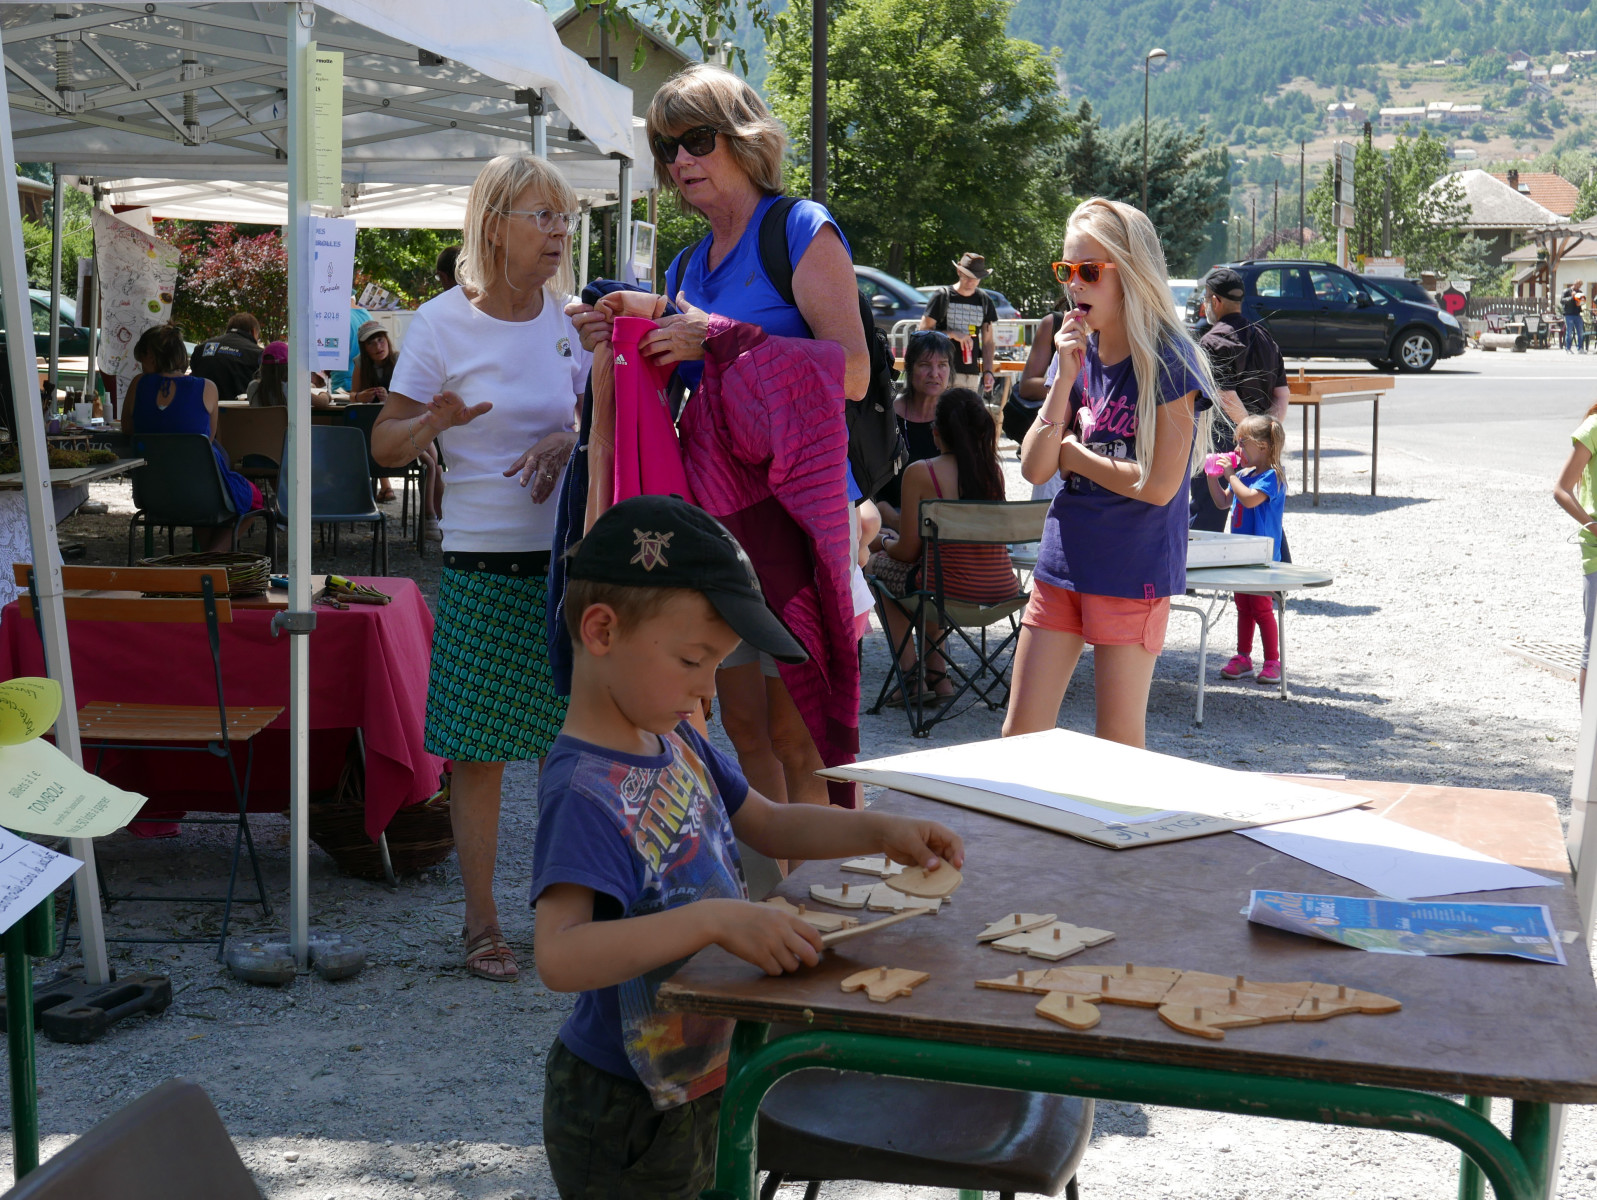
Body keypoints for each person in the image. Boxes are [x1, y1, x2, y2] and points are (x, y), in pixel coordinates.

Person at [532, 494, 964, 1199]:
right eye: (692, 660)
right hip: (623, 1101)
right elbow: (560, 953)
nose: (707, 687)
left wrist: (878, 829)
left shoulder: (675, 737)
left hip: (702, 1069)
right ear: (602, 630)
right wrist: (714, 920)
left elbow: (765, 821)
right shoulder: (583, 788)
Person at [568, 63, 868, 813]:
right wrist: (626, 330)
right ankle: (774, 900)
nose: (679, 162)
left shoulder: (799, 228)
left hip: (797, 524)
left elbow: (856, 373)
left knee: (799, 736)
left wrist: (723, 337)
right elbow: (681, 380)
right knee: (742, 728)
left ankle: (821, 907)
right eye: (667, 147)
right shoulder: (686, 263)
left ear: (742, 136)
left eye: (696, 139)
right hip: (721, 526)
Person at [371, 152, 591, 982]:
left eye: (564, 218)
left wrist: (572, 437)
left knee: (565, 748)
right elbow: (383, 443)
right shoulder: (438, 324)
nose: (558, 233)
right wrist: (434, 419)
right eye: (543, 216)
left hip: (566, 563)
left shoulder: (571, 320)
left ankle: (563, 915)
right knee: (479, 752)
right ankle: (480, 920)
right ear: (493, 223)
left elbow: (596, 416)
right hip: (479, 558)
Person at [1003, 197, 1214, 748]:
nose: (1074, 285)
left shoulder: (1172, 360)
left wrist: (1075, 456)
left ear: (1131, 273)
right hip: (1063, 562)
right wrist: (1062, 377)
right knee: (1020, 736)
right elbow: (1033, 465)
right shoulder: (1078, 351)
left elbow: (1159, 485)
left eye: (1089, 272)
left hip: (1132, 570)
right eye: (1066, 270)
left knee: (1117, 749)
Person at [867, 387, 1019, 705]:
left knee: (875, 569)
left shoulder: (922, 472)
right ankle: (939, 677)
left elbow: (907, 551)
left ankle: (911, 678)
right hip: (1000, 591)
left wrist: (881, 542)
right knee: (928, 575)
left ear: (936, 432)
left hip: (946, 589)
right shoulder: (993, 473)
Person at [124, 323, 263, 550]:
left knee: (204, 504)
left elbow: (128, 429)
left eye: (142, 360)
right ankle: (207, 564)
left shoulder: (138, 385)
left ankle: (205, 563)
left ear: (151, 357)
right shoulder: (207, 388)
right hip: (201, 489)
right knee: (254, 501)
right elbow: (207, 440)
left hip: (153, 493)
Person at [1191, 266, 1289, 534]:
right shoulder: (1265, 337)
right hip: (1259, 444)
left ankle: (1197, 573)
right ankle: (1282, 570)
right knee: (1265, 515)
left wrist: (1246, 433)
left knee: (1206, 515)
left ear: (1215, 301)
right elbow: (1282, 394)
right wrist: (1265, 434)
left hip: (1225, 437)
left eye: (1206, 299)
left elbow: (1225, 395)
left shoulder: (1212, 341)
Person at [1205, 414, 1288, 684]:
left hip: (1262, 557)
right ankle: (1243, 657)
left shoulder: (1273, 477)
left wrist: (1230, 474)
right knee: (1243, 605)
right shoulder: (1243, 475)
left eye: (1242, 443)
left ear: (1262, 447)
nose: (1237, 450)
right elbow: (1221, 503)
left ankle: (1273, 661)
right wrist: (1213, 477)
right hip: (1240, 554)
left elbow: (1250, 500)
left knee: (1262, 607)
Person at [875, 330, 953, 518]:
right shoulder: (886, 415)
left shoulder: (957, 417)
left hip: (944, 522)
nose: (934, 374)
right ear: (910, 368)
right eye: (925, 365)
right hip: (889, 517)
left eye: (942, 365)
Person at [1553, 399, 1597, 698]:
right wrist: (1593, 527)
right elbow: (1562, 489)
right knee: (1594, 649)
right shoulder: (1593, 428)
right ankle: (1589, 744)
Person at [919, 252, 998, 397]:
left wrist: (988, 371)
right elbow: (922, 333)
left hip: (970, 376)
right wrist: (951, 334)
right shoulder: (942, 296)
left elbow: (988, 342)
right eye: (967, 276)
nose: (971, 281)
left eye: (976, 278)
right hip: (938, 374)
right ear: (959, 272)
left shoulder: (985, 301)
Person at [189, 312, 263, 400]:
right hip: (238, 411)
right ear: (253, 331)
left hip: (200, 407)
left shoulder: (201, 348)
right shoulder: (257, 354)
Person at [248, 342, 335, 408]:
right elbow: (323, 402)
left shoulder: (253, 387)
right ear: (289, 367)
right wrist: (325, 394)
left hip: (260, 431)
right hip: (288, 432)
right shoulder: (293, 389)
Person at [1565, 285, 1586, 354]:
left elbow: (1582, 302)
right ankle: (1568, 348)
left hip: (1577, 315)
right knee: (1569, 333)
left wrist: (1580, 303)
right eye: (1577, 286)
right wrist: (1572, 297)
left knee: (1580, 332)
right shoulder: (1567, 291)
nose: (1578, 288)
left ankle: (1580, 348)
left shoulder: (1580, 292)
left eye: (1580, 286)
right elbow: (1562, 301)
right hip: (1569, 315)